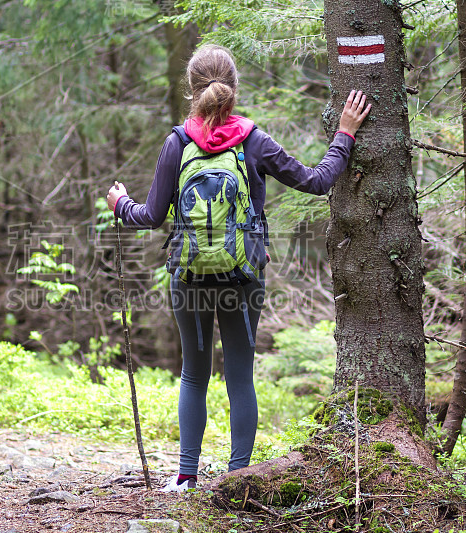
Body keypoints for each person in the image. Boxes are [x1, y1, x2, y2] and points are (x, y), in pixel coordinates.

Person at [106, 44, 371, 492]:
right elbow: (316, 180)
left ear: (191, 90)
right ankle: (238, 476)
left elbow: (150, 216)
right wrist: (344, 133)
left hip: (188, 277)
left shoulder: (177, 143)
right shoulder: (254, 141)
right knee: (239, 375)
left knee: (194, 372)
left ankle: (186, 477)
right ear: (234, 88)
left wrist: (120, 204)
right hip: (243, 278)